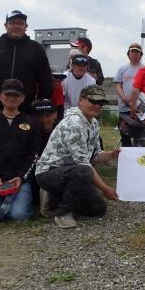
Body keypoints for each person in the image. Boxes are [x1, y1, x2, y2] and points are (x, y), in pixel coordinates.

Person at [35, 85, 120, 229]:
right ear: (81, 100)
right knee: (84, 172)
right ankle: (62, 213)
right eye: (93, 101)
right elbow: (84, 164)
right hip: (49, 173)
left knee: (98, 208)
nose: (97, 105)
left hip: (71, 172)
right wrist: (105, 188)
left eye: (101, 103)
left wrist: (112, 155)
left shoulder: (94, 123)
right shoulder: (74, 123)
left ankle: (54, 200)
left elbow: (95, 155)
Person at [0, 79, 39, 224]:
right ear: (0, 96)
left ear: (22, 98)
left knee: (20, 216)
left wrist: (22, 177)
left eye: (16, 95)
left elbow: (33, 155)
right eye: (7, 94)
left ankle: (11, 204)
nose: (11, 98)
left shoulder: (31, 123)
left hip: (20, 180)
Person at [0, 10, 54, 115]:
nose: (16, 26)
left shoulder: (36, 48)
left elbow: (45, 76)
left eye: (20, 23)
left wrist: (45, 98)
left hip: (25, 107)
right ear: (5, 25)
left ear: (26, 26)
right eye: (12, 23)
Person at [31, 99, 58, 217]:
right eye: (39, 116)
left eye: (48, 115)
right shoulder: (28, 131)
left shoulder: (63, 131)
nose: (44, 120)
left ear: (55, 115)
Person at [114, 42, 144, 147]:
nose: (135, 54)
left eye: (137, 52)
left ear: (141, 55)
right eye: (132, 52)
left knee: (139, 134)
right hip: (124, 106)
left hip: (139, 107)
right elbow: (118, 85)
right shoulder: (122, 69)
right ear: (128, 54)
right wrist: (124, 98)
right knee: (125, 134)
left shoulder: (144, 69)